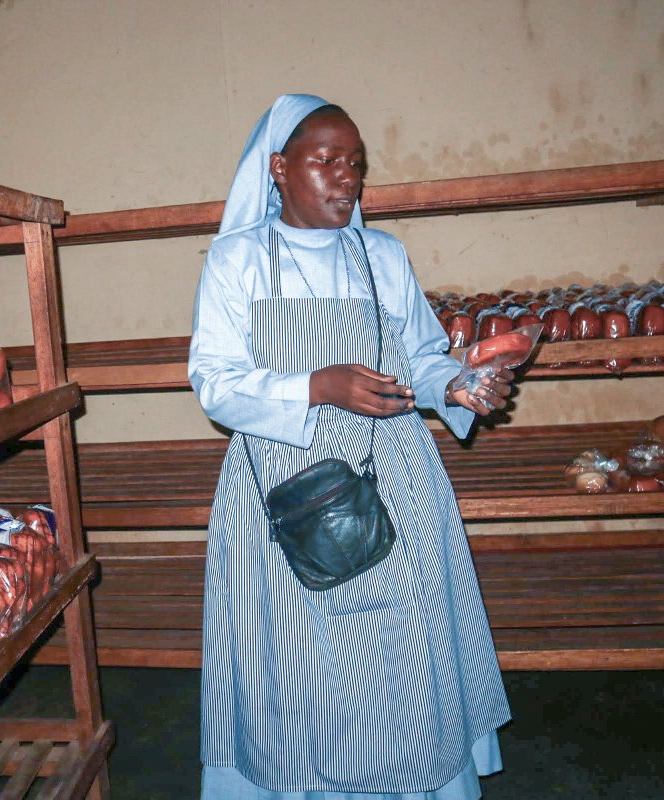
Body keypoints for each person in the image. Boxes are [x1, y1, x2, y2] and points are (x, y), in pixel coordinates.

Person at [189, 94, 513, 799]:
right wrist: (319, 386)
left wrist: (456, 386)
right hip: (281, 482)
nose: (346, 178)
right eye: (325, 161)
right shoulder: (238, 260)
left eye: (356, 164)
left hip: (389, 470)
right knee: (302, 660)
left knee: (400, 649)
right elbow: (214, 384)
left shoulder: (381, 257)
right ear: (279, 168)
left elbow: (421, 355)